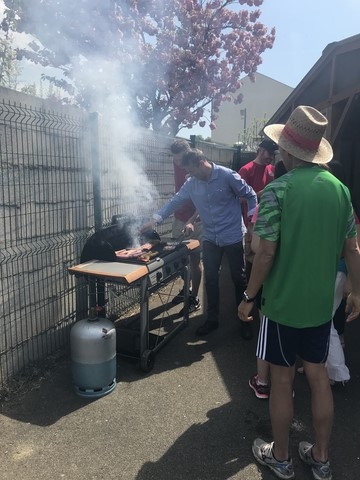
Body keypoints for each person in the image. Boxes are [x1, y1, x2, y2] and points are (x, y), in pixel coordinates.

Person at [238, 105, 360, 480]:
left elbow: (266, 252)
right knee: (319, 377)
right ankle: (321, 458)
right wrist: (356, 290)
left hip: (282, 307)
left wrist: (249, 295)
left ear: (289, 152)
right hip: (320, 308)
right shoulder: (340, 191)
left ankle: (281, 456)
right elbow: (353, 248)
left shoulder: (278, 190)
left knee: (283, 381)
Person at [143, 148, 257, 339]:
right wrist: (155, 219)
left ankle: (244, 319)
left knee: (238, 279)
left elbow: (251, 194)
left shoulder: (228, 176)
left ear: (201, 163)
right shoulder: (192, 183)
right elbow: (175, 201)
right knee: (211, 279)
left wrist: (253, 222)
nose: (189, 174)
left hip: (233, 236)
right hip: (211, 238)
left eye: (191, 170)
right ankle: (212, 320)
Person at [169, 139, 203, 314]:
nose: (178, 164)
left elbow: (205, 199)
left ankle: (194, 297)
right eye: (175, 160)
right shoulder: (177, 163)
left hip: (196, 220)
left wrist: (192, 219)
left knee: (195, 259)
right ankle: (186, 288)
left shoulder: (197, 166)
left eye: (180, 160)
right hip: (179, 219)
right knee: (181, 259)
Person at [239, 138, 278, 278]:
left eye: (274, 154)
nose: (272, 157)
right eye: (270, 153)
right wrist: (260, 194)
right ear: (261, 151)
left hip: (270, 222)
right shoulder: (246, 170)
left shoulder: (272, 170)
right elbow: (239, 198)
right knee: (251, 260)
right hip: (251, 224)